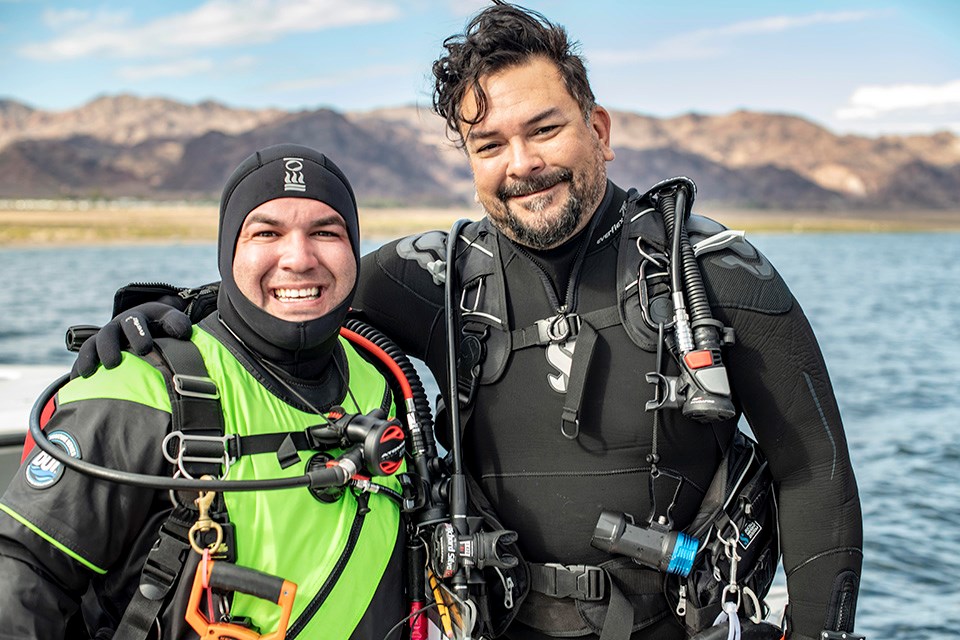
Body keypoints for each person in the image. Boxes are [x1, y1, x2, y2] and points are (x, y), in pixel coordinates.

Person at [60, 3, 864, 640]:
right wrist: (168, 313)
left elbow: (815, 470)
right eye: (490, 143)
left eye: (544, 128)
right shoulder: (434, 278)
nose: (521, 165)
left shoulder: (713, 270)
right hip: (494, 622)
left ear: (600, 131)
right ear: (468, 157)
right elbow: (289, 290)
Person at [0, 144, 408, 639]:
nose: (299, 258)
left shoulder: (386, 383)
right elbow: (21, 578)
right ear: (228, 252)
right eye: (266, 232)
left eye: (326, 232)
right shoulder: (139, 387)